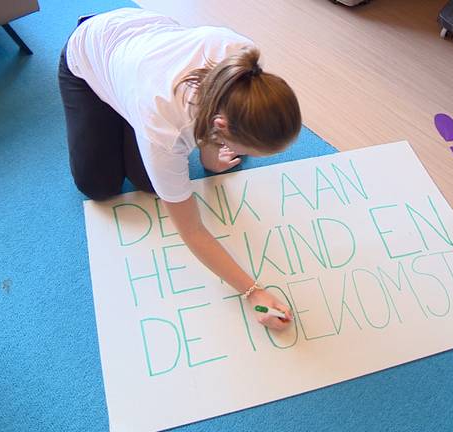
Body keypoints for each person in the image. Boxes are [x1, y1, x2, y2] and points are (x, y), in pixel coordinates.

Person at [58, 8, 301, 330]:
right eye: (244, 147)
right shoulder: (165, 131)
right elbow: (193, 232)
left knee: (149, 182)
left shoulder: (242, 68)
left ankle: (126, 107)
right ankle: (117, 101)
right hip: (91, 53)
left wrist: (211, 160)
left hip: (145, 58)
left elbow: (213, 129)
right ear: (221, 126)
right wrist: (252, 292)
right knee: (98, 185)